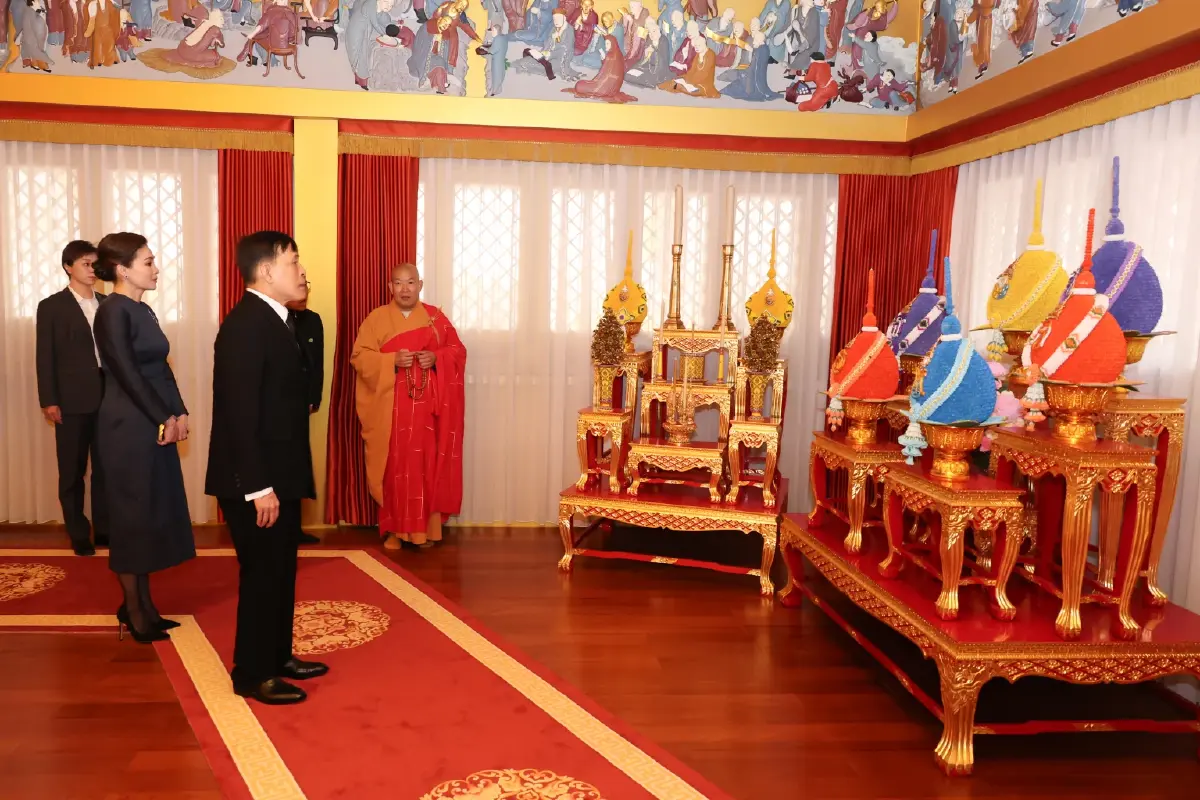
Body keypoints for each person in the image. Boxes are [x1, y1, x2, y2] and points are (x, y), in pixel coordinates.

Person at [206, 231, 326, 705]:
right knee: (261, 576)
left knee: (281, 571)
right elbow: (239, 413)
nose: (301, 272)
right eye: (294, 262)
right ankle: (252, 673)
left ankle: (277, 657)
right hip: (255, 481)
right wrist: (258, 487)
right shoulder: (245, 326)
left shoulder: (276, 320)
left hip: (279, 474)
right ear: (267, 270)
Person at [92, 232, 195, 643]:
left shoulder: (143, 309)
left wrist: (180, 410)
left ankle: (146, 606)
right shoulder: (112, 311)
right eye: (148, 262)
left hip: (152, 418)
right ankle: (134, 610)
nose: (156, 268)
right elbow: (126, 375)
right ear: (123, 269)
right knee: (133, 517)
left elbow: (160, 369)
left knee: (150, 512)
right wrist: (162, 417)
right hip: (127, 425)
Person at [351, 263, 465, 551]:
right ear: (390, 287)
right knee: (395, 468)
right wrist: (390, 361)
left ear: (420, 284)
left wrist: (436, 357)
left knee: (426, 466)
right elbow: (359, 358)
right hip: (391, 411)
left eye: (410, 283)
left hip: (429, 411)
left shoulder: (435, 319)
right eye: (398, 284)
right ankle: (394, 530)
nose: (404, 289)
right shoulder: (376, 319)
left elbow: (458, 351)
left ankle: (426, 531)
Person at [36, 241, 109, 556]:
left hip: (109, 399)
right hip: (70, 400)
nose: (92, 270)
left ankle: (105, 530)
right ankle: (79, 532)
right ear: (68, 266)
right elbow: (45, 357)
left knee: (107, 469)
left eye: (95, 264)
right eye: (85, 263)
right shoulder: (52, 306)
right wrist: (49, 399)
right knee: (72, 471)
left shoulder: (109, 303)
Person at [287, 281, 323, 545]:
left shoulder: (313, 320)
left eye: (306, 286)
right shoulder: (274, 319)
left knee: (297, 464)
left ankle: (294, 528)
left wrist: (314, 398)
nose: (303, 292)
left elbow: (317, 363)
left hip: (301, 403)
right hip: (277, 402)